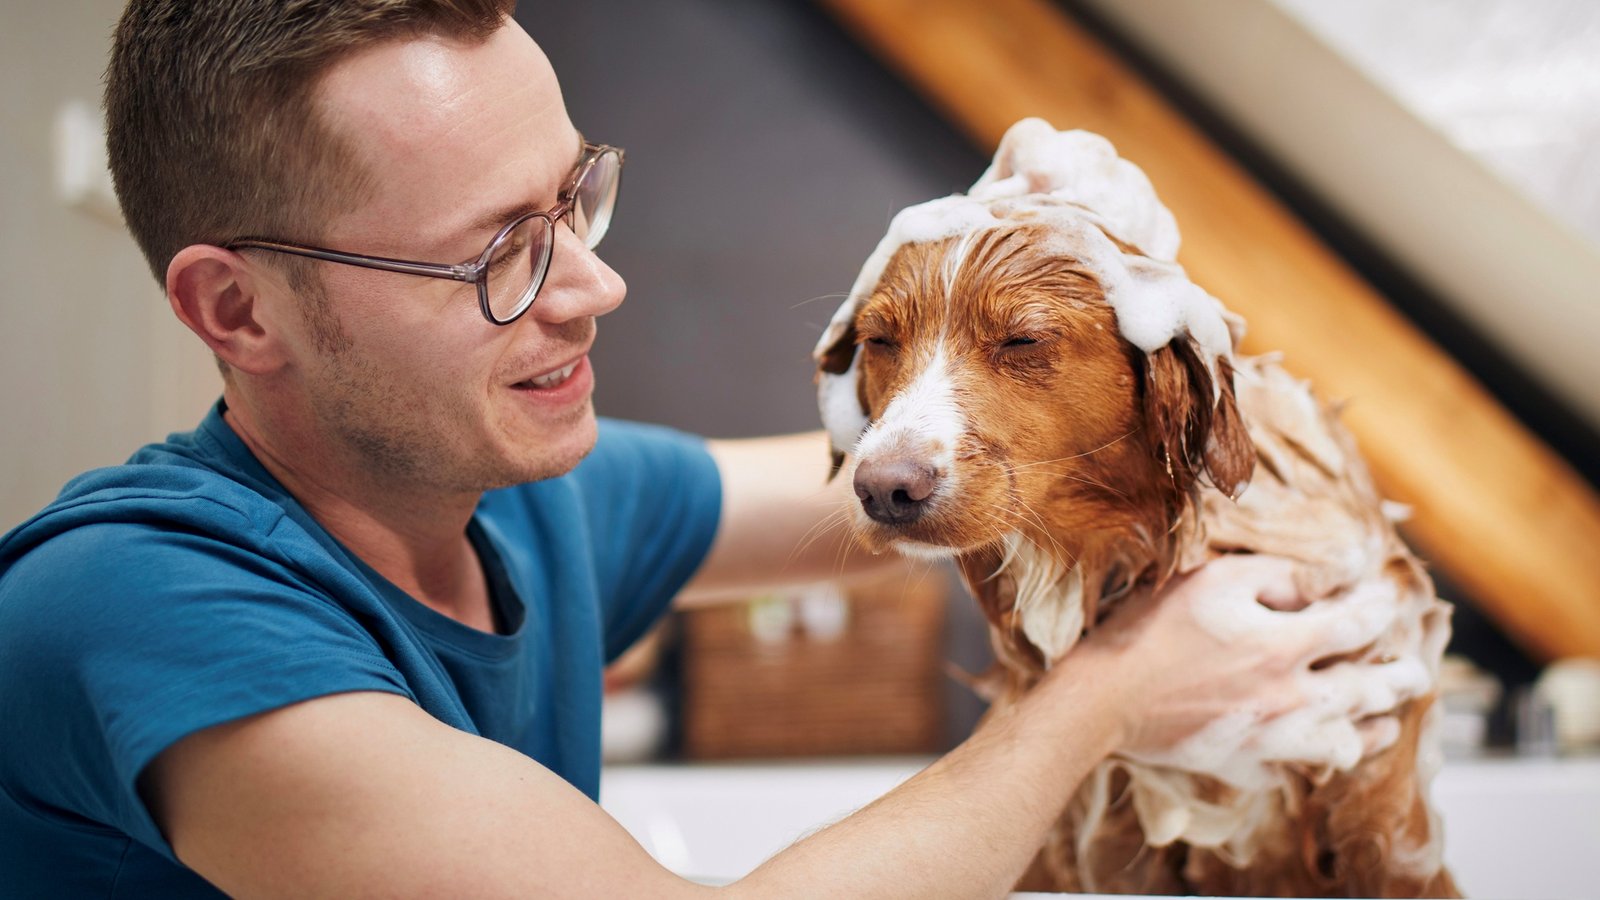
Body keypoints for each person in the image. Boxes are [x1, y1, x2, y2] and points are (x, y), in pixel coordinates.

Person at [0, 2, 1385, 897]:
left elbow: (894, 490)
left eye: (572, 202)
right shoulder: (135, 610)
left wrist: (1057, 332)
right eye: (494, 254)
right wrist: (1109, 698)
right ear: (236, 309)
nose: (591, 289)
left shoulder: (534, 508)